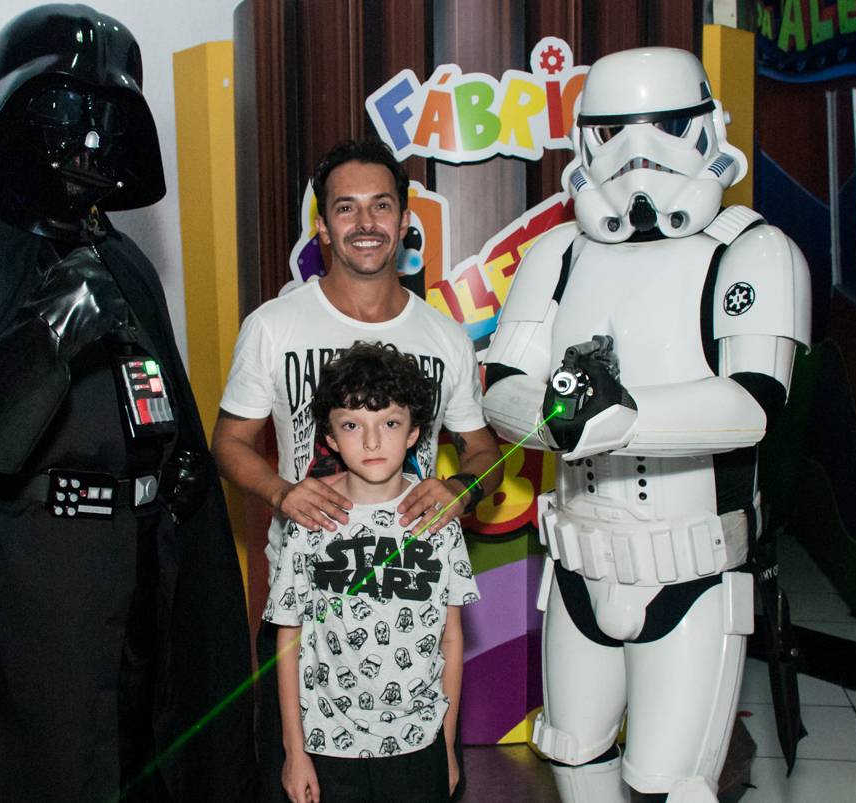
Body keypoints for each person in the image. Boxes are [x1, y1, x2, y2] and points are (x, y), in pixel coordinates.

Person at [0, 6, 253, 802]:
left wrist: (179, 468)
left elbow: (160, 402)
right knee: (51, 761)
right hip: (34, 573)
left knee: (147, 748)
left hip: (144, 556)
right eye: (62, 110)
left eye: (109, 118)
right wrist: (47, 334)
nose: (89, 138)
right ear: (9, 116)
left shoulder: (122, 260)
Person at [481, 48, 811, 802]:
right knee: (575, 757)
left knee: (670, 784)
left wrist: (617, 418)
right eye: (614, 131)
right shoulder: (558, 254)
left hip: (690, 572)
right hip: (575, 569)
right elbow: (502, 389)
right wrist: (564, 420)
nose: (638, 153)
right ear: (584, 138)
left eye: (664, 126)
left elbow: (751, 405)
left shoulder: (749, 252)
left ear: (705, 127)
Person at [211, 138, 504, 803]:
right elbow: (228, 443)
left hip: (411, 620)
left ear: (406, 222)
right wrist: (282, 492)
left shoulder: (444, 338)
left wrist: (463, 485)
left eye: (381, 206)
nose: (365, 223)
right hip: (308, 611)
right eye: (346, 208)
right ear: (322, 224)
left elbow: (485, 450)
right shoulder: (273, 326)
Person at [266, 342, 480, 803]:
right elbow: (288, 638)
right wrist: (293, 751)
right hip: (326, 747)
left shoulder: (437, 519)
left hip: (417, 742)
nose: (370, 441)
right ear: (330, 435)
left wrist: (445, 745)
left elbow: (452, 637)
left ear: (413, 433)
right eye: (351, 424)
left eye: (388, 423)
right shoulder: (310, 519)